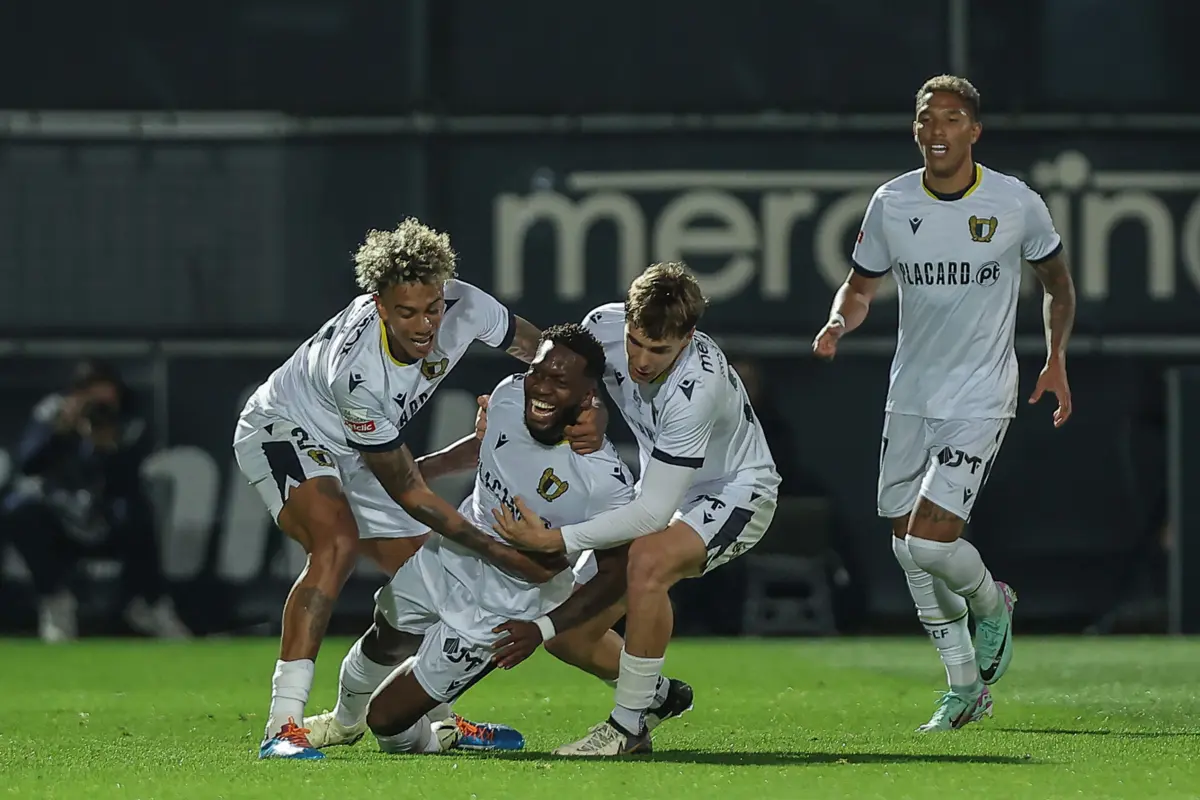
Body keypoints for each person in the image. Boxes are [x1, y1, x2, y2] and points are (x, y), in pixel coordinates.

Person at [232, 218, 603, 760]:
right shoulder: (357, 374)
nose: (425, 324)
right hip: (283, 429)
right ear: (379, 306)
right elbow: (408, 489)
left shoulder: (466, 305)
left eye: (432, 307)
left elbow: (547, 355)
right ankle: (282, 725)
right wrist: (501, 552)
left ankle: (433, 717)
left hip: (358, 452)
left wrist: (586, 408)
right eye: (407, 312)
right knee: (335, 544)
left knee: (429, 583)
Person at [810, 75, 1076, 731]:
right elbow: (860, 287)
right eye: (927, 118)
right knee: (907, 548)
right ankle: (965, 689)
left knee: (930, 546)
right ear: (916, 129)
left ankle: (991, 602)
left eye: (952, 118)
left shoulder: (1015, 202)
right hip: (911, 394)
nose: (937, 130)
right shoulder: (892, 201)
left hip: (981, 394)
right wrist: (840, 319)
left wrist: (1057, 358)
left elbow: (1057, 284)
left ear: (974, 131)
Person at [302, 325, 693, 754]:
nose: (541, 388)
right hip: (449, 556)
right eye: (538, 372)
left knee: (387, 720)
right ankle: (343, 723)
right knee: (385, 633)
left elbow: (616, 574)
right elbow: (485, 446)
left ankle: (440, 737)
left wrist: (541, 629)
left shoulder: (603, 482)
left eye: (559, 381)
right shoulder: (508, 395)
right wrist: (419, 472)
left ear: (587, 398)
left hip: (503, 606)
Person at [490, 263, 780, 757]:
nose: (642, 360)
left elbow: (651, 516)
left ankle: (627, 727)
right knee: (567, 633)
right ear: (624, 319)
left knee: (647, 561)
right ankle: (658, 697)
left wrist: (555, 540)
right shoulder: (601, 327)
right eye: (635, 342)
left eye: (659, 350)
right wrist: (592, 411)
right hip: (661, 487)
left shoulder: (697, 388)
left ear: (689, 336)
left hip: (734, 492)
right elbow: (570, 383)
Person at [2, 359, 189, 641]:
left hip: (106, 515)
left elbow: (130, 480)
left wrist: (106, 446)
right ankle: (55, 601)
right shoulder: (53, 411)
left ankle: (148, 604)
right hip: (60, 514)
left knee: (137, 513)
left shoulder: (129, 418)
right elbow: (27, 463)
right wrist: (60, 431)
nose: (98, 407)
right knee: (19, 508)